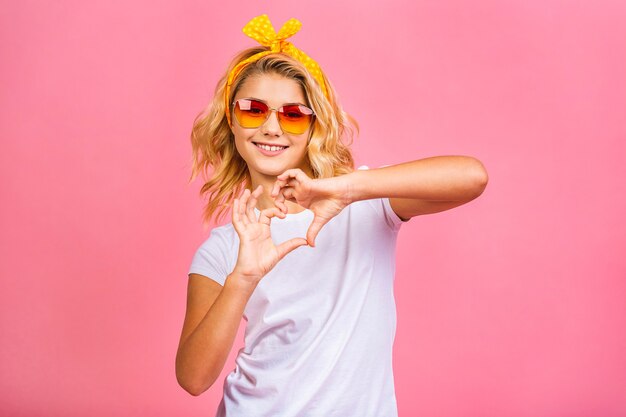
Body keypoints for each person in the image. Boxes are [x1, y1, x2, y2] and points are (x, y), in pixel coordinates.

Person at [175, 14, 488, 417]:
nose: (272, 127)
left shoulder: (363, 204)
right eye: (254, 110)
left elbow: (472, 177)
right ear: (231, 121)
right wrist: (244, 277)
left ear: (313, 127)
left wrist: (347, 188)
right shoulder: (223, 248)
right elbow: (193, 378)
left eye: (292, 114)